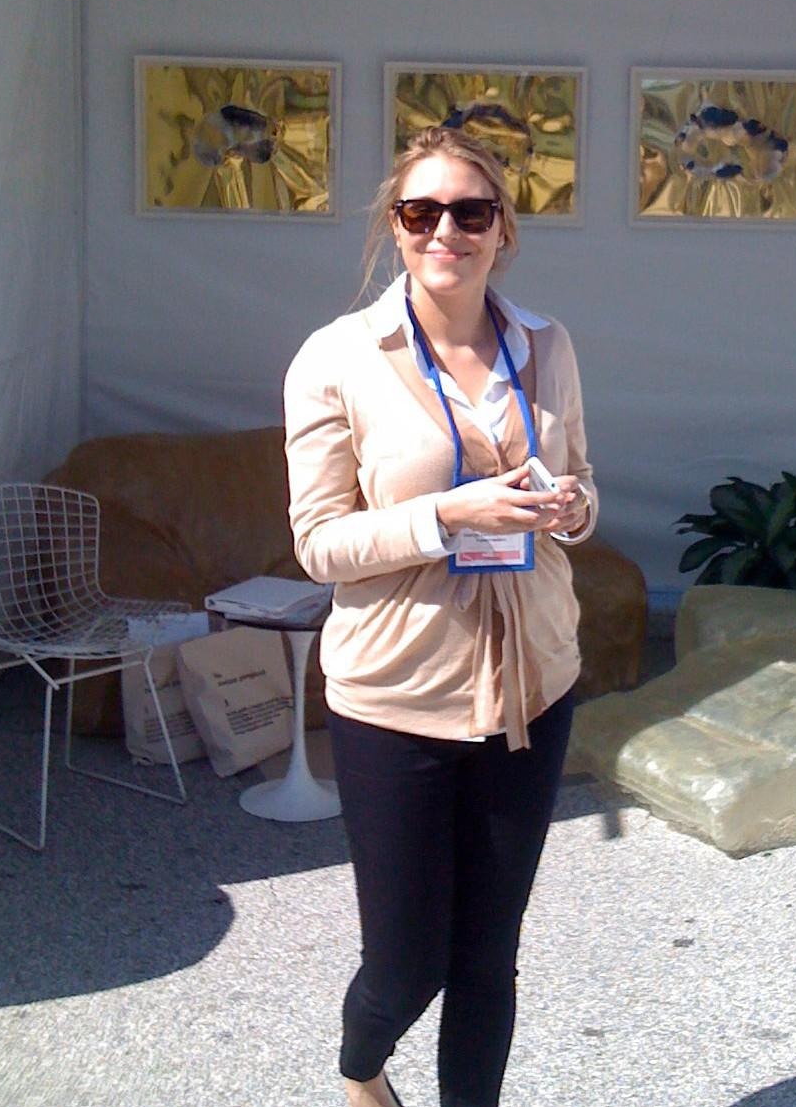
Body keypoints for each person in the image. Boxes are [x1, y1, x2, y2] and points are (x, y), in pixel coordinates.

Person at [284, 125, 597, 1107]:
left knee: (488, 957)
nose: (445, 231)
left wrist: (574, 507)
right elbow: (319, 543)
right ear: (396, 225)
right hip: (397, 695)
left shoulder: (545, 345)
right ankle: (361, 1071)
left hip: (532, 686)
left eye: (470, 211)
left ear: (503, 228)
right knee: (406, 963)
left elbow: (583, 478)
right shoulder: (338, 357)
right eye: (422, 211)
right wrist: (447, 516)